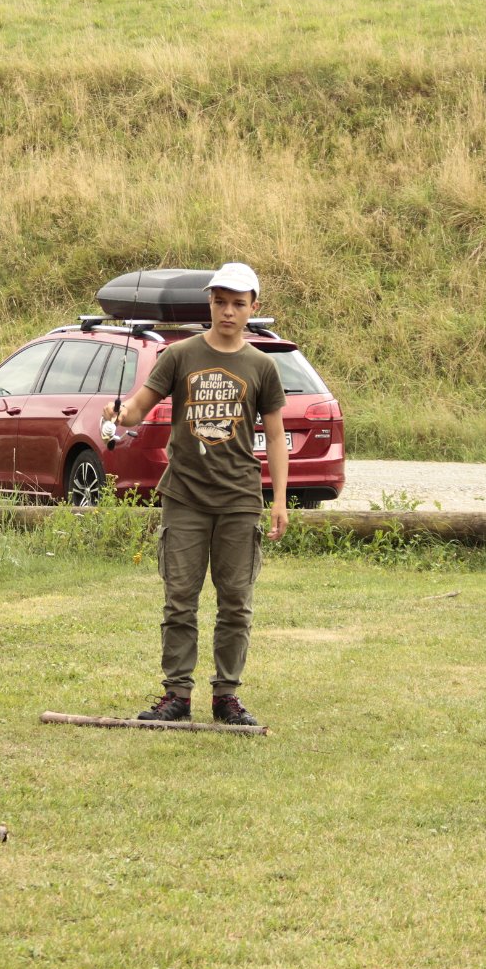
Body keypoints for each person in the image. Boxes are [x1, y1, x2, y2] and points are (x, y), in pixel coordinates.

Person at [102, 262, 289, 726]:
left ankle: (226, 697)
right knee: (179, 600)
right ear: (209, 303)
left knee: (236, 603)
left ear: (253, 308)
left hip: (240, 499)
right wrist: (118, 414)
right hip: (184, 496)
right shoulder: (179, 355)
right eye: (220, 302)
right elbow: (137, 409)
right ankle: (176, 696)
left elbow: (276, 435)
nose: (228, 311)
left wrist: (280, 501)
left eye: (238, 304)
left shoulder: (263, 366)